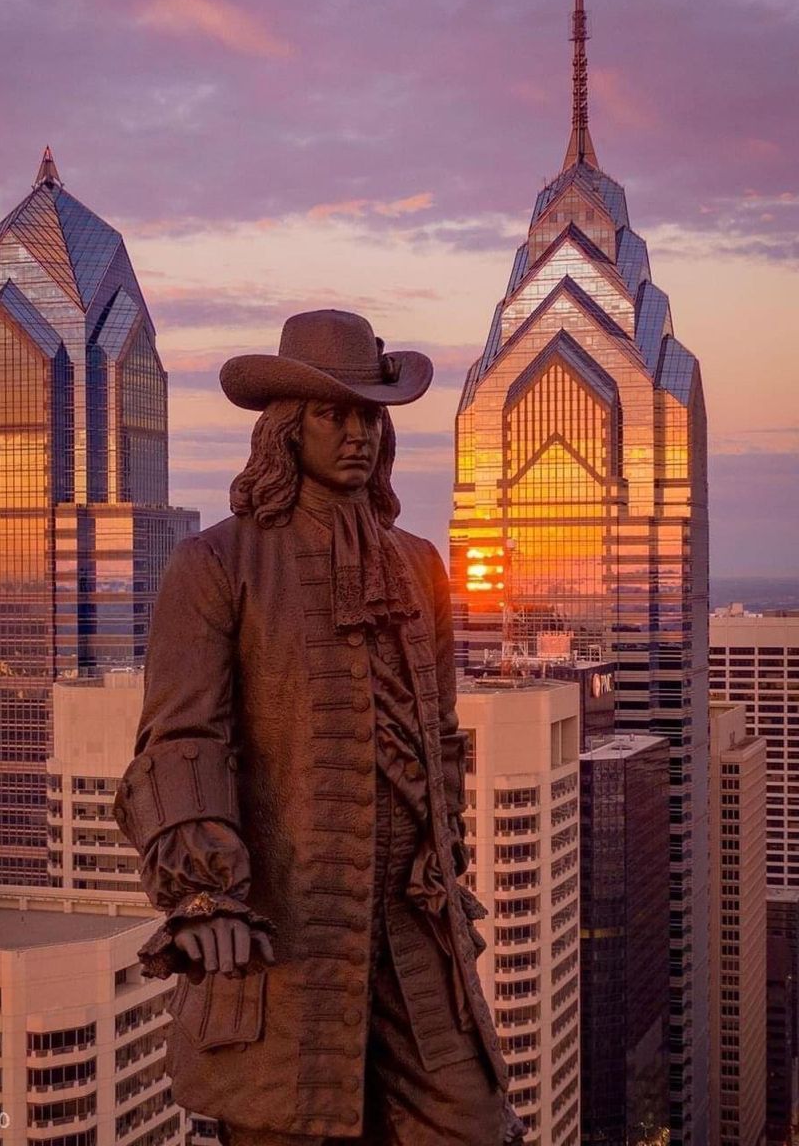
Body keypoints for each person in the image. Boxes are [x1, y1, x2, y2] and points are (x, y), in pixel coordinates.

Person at [113, 310, 525, 1144]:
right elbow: (182, 740)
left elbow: (439, 738)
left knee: (473, 1123)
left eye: (370, 415)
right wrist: (206, 893)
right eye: (335, 415)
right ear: (286, 431)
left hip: (414, 935)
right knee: (291, 1124)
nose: (358, 435)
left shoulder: (419, 564)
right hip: (289, 935)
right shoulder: (217, 564)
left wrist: (442, 862)